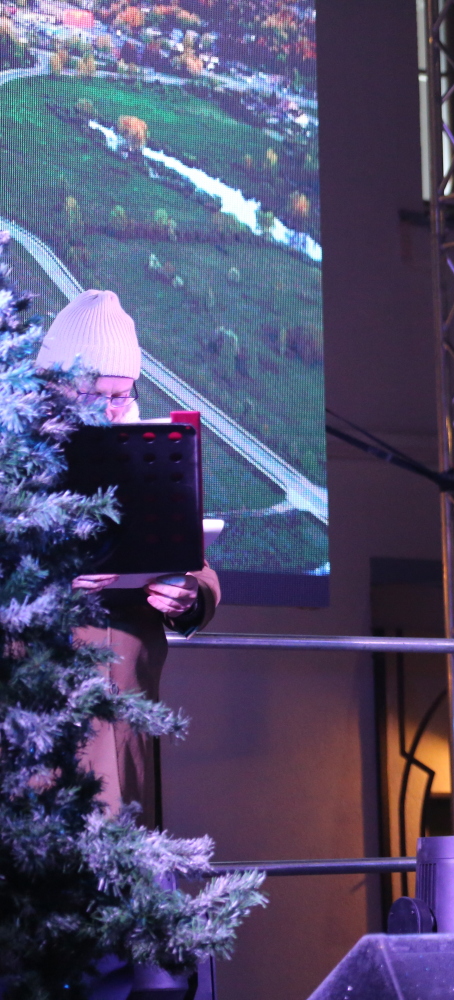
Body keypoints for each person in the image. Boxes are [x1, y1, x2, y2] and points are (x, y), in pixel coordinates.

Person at [36, 290, 220, 821]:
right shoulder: (15, 458)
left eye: (122, 395)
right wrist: (51, 585)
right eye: (95, 393)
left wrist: (190, 595)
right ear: (55, 386)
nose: (110, 409)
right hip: (37, 707)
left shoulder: (151, 453)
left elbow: (197, 562)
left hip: (126, 705)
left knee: (125, 846)